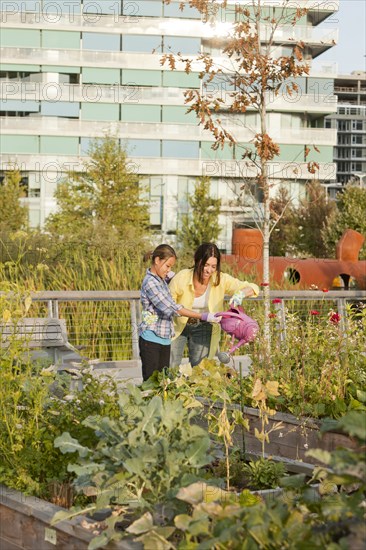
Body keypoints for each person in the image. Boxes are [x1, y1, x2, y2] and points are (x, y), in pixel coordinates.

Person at [169, 242, 260, 368]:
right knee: (170, 365)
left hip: (203, 328)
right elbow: (170, 306)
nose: (209, 270)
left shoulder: (220, 279)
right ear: (197, 260)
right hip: (177, 326)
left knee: (199, 369)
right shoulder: (182, 277)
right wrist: (202, 315)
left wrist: (240, 294)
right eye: (205, 265)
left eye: (213, 266)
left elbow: (253, 287)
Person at [139, 244, 221, 381]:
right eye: (167, 266)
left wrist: (171, 276)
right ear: (157, 260)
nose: (169, 270)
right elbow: (171, 307)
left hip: (164, 339)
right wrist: (203, 316)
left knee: (164, 382)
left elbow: (173, 281)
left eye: (171, 267)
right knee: (151, 383)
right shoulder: (151, 283)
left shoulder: (160, 280)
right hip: (151, 338)